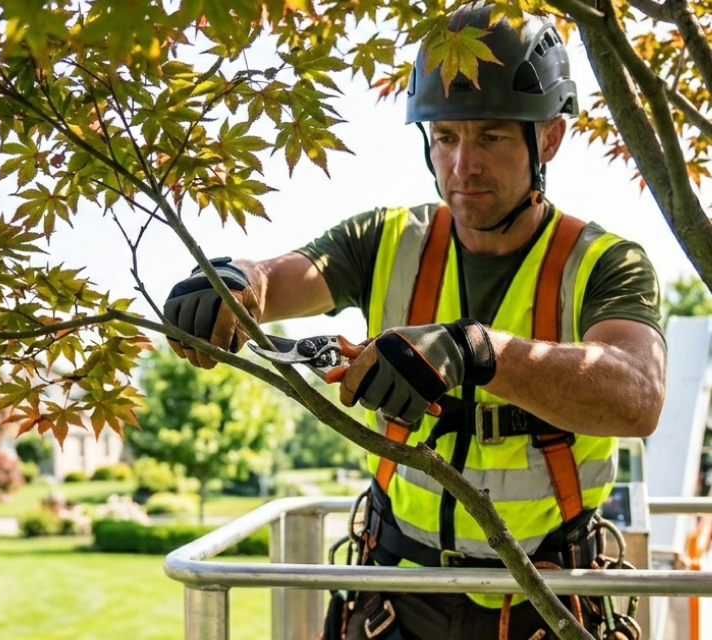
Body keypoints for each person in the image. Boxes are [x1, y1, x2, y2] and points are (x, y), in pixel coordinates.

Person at [162, 5, 666, 640]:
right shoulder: (386, 239)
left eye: (492, 136)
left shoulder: (604, 263)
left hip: (546, 594)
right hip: (398, 590)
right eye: (445, 137)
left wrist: (478, 351)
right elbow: (277, 277)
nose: (463, 167)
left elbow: (637, 397)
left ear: (551, 139)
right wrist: (233, 282)